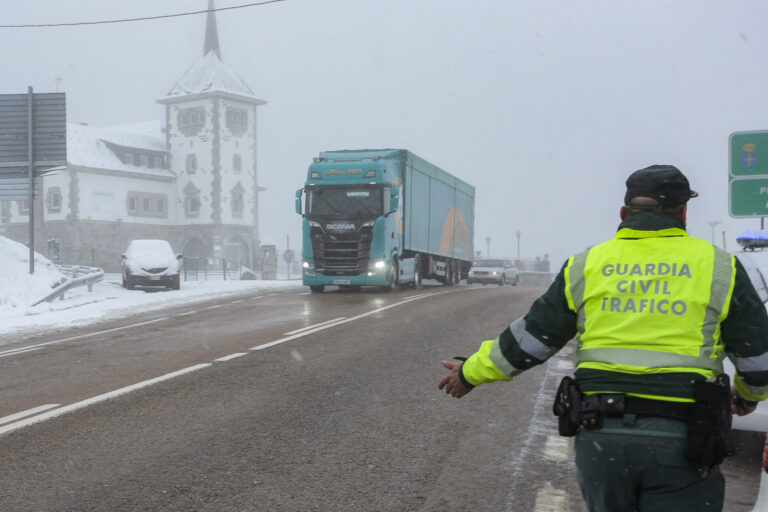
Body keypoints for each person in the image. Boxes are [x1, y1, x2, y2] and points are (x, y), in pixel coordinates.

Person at [439, 165, 768, 512]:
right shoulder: (720, 267)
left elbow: (530, 339)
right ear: (683, 213)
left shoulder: (586, 265)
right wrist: (748, 396)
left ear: (624, 214)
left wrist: (469, 373)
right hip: (684, 438)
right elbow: (759, 359)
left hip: (602, 436)